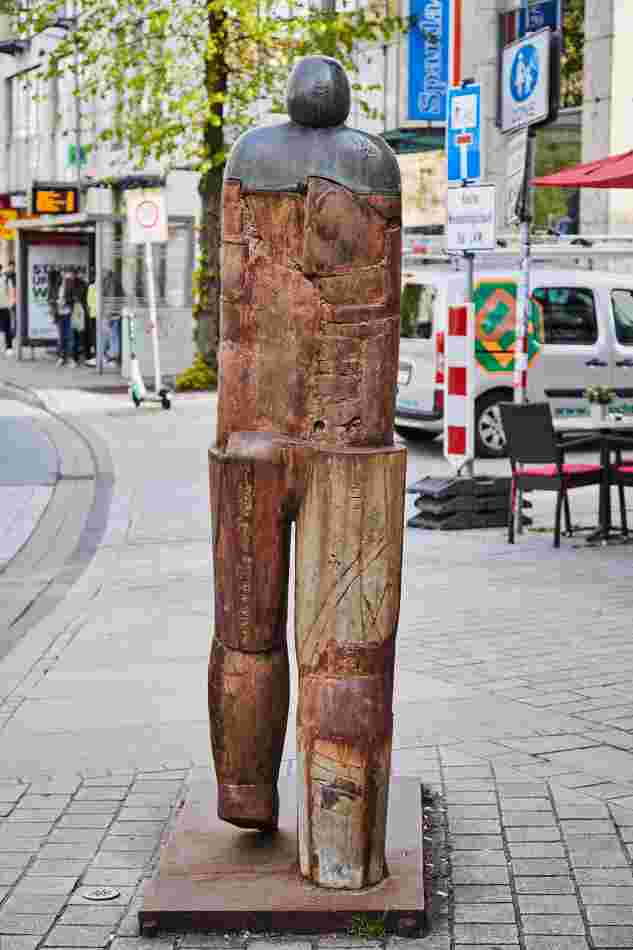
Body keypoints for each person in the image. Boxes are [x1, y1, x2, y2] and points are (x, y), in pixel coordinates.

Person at [56, 268, 75, 366]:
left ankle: (69, 357)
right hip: (59, 313)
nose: (65, 276)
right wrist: (56, 302)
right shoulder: (57, 285)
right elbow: (52, 297)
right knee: (61, 336)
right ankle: (61, 357)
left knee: (69, 336)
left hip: (68, 313)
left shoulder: (70, 284)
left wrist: (65, 302)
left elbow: (73, 298)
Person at [0, 263, 13, 355]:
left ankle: (9, 347)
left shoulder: (6, 279)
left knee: (7, 328)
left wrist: (11, 304)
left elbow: (11, 291)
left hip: (4, 307)